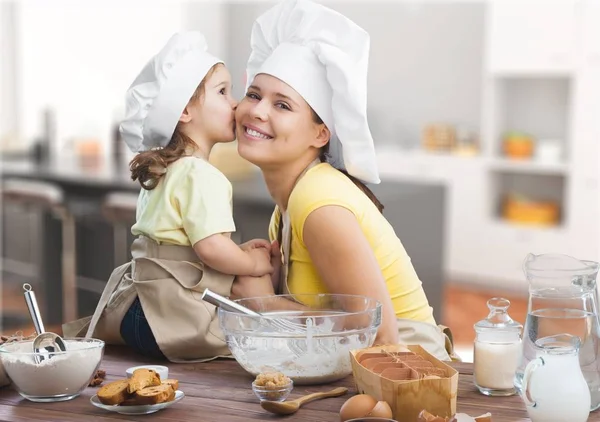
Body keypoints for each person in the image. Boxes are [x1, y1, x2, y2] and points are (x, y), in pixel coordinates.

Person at [230, 0, 455, 361]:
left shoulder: (319, 202)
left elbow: (379, 334)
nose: (257, 110)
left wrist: (267, 304)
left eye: (282, 105)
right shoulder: (288, 204)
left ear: (320, 135)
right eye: (254, 95)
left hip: (409, 373)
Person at [63, 31, 273, 361]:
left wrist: (236, 250)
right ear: (184, 111)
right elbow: (210, 248)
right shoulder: (203, 174)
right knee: (261, 334)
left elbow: (183, 245)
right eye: (222, 92)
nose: (235, 103)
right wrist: (251, 261)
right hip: (169, 321)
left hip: (133, 315)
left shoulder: (165, 169)